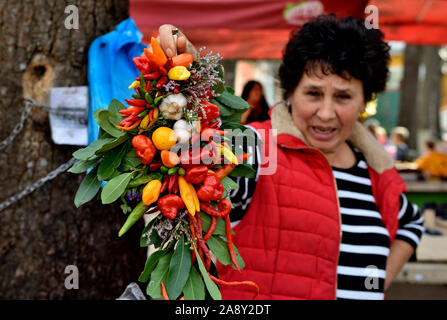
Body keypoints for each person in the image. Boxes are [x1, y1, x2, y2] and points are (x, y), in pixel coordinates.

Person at [158, 15, 423, 300]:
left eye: (343, 97)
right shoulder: (258, 147)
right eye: (313, 93)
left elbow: (411, 223)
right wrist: (189, 87)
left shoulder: (375, 169)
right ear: (291, 93)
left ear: (364, 101)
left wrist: (374, 287)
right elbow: (205, 153)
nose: (325, 112)